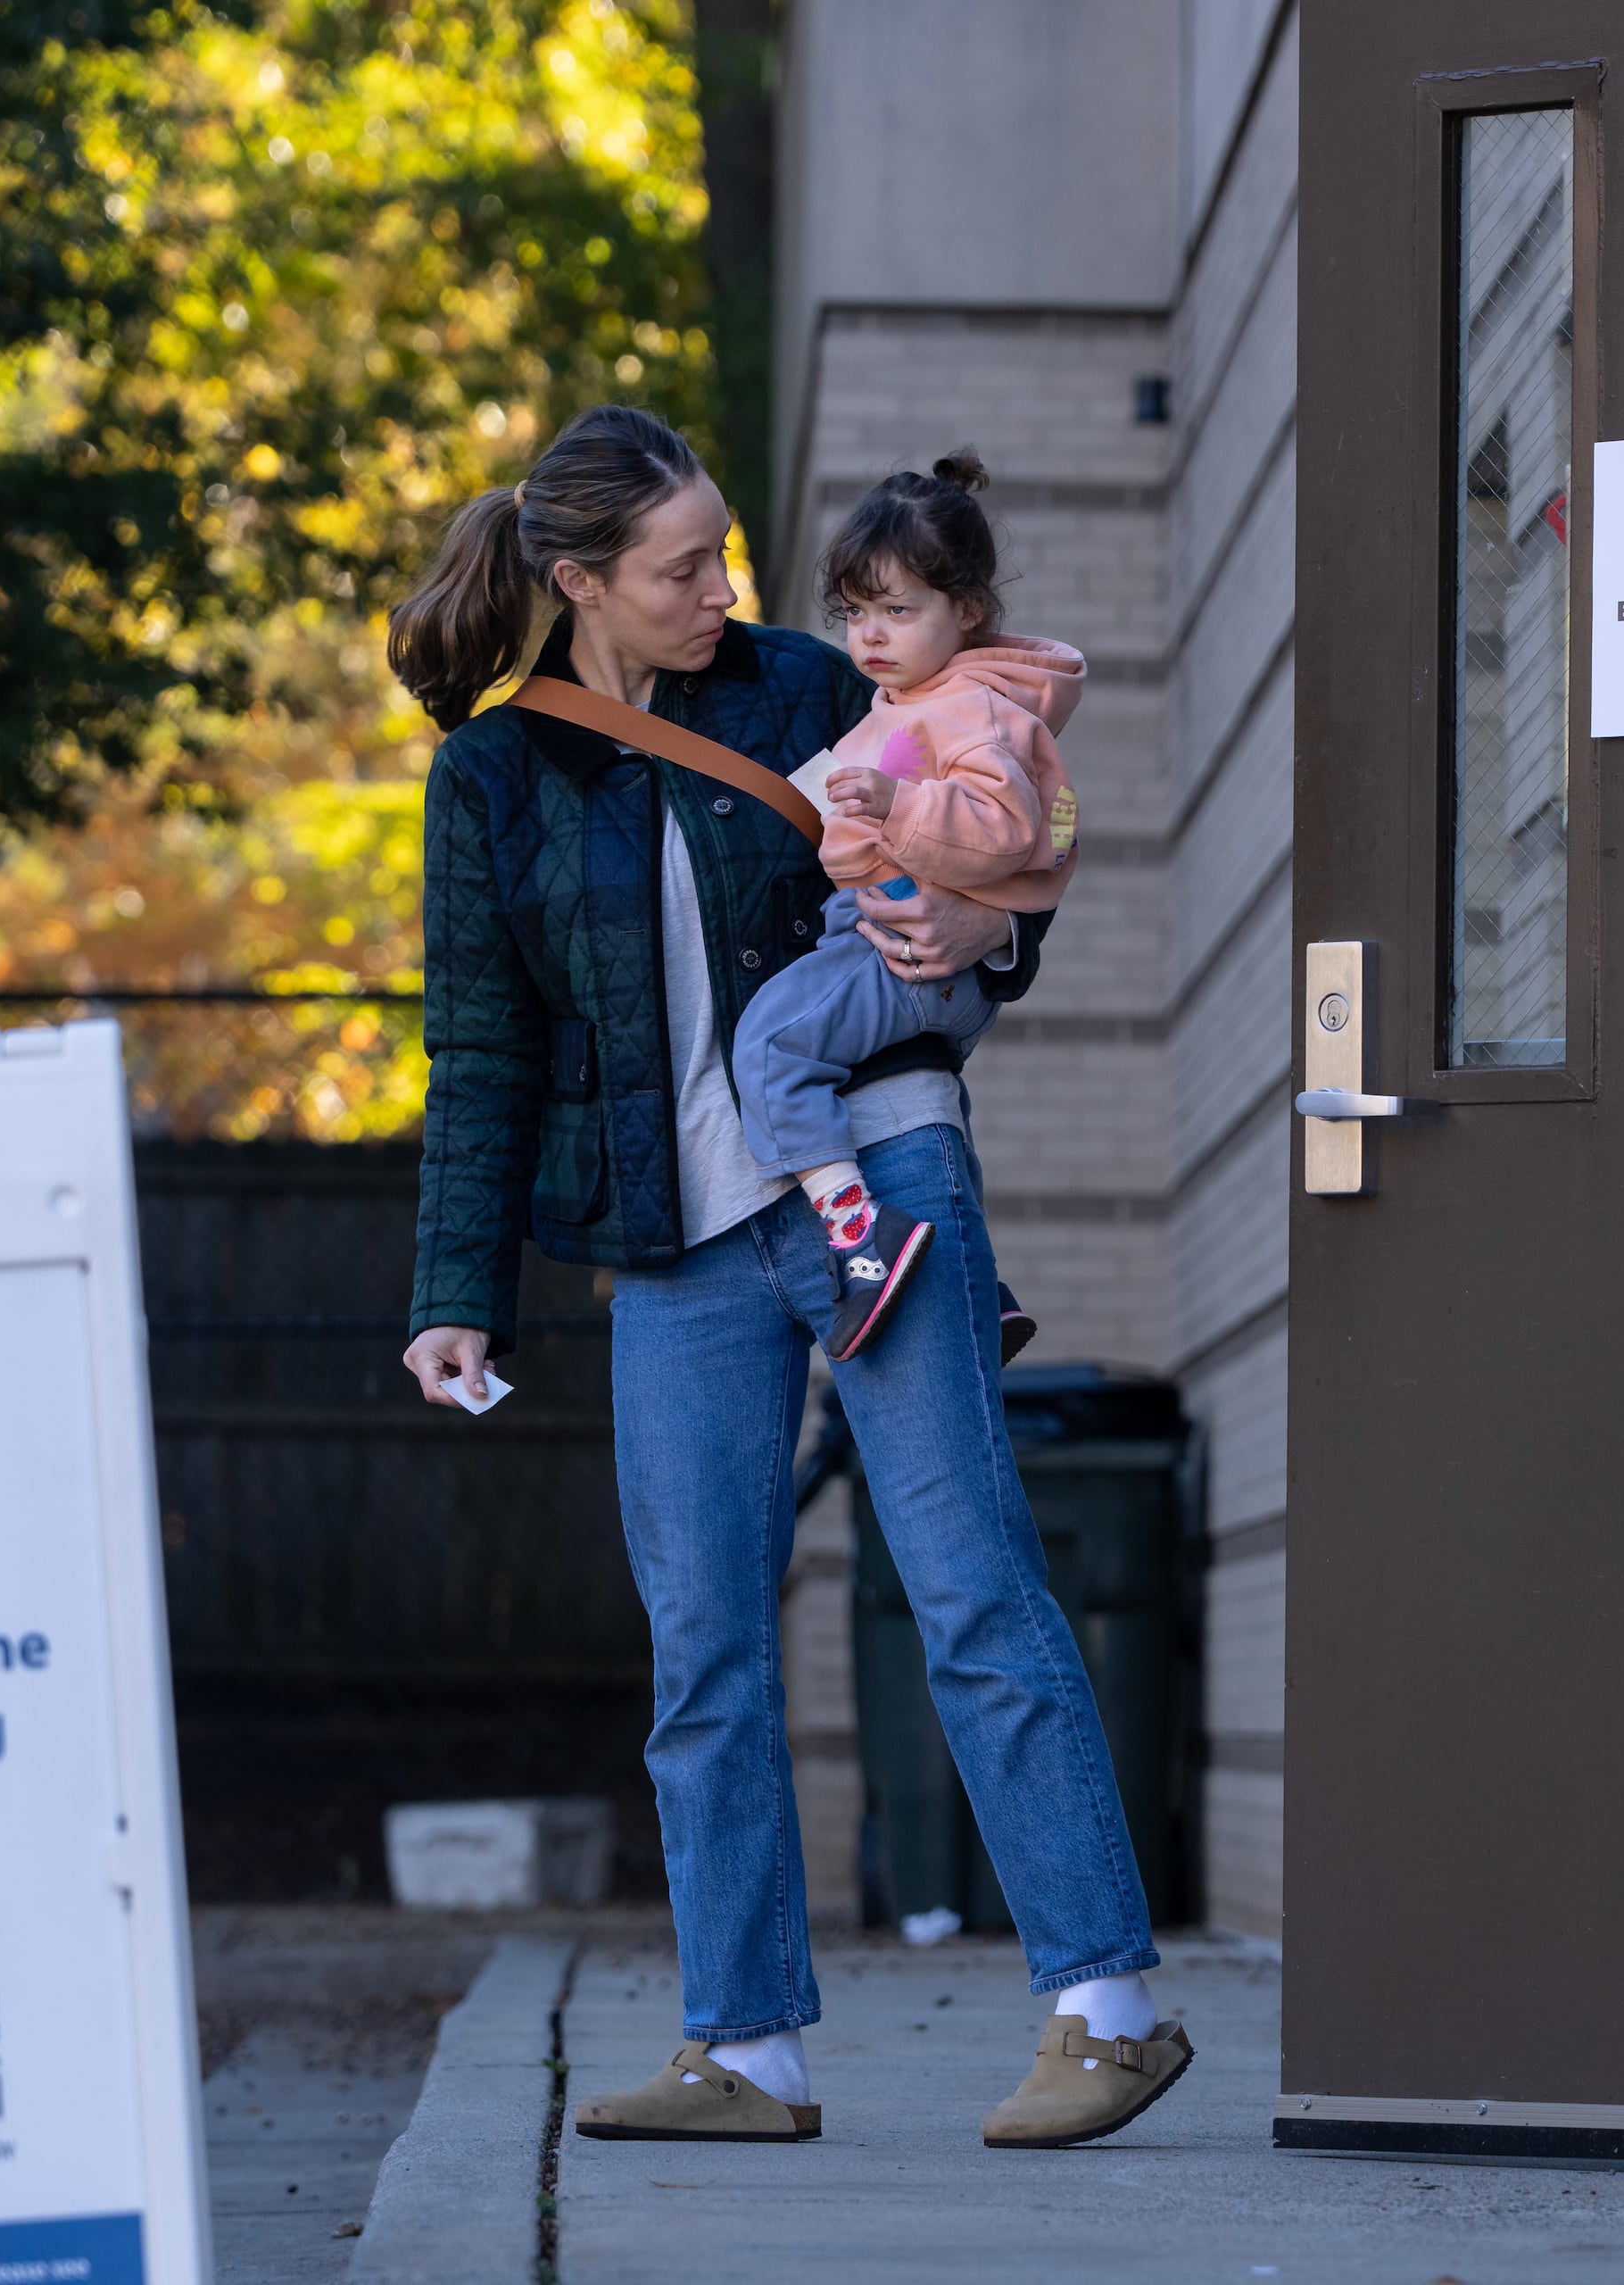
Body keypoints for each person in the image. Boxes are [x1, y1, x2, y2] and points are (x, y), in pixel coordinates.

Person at [391, 405, 1189, 2149]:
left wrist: (995, 934)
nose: (721, 589)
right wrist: (458, 1287)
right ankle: (746, 2047)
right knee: (705, 1650)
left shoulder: (811, 685)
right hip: (671, 1241)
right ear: (583, 581)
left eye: (725, 553)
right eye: (682, 568)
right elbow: (481, 1050)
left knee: (970, 1577)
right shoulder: (495, 776)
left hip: (875, 1178)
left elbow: (994, 822)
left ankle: (1107, 2006)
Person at [728, 452, 1086, 1363]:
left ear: (966, 609)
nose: (871, 635)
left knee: (771, 1043)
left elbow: (1004, 827)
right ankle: (980, 1282)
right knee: (873, 1075)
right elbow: (857, 846)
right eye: (854, 612)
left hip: (916, 959)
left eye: (899, 609)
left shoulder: (971, 709)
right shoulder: (903, 702)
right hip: (902, 942)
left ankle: (859, 1242)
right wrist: (851, 824)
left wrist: (892, 809)